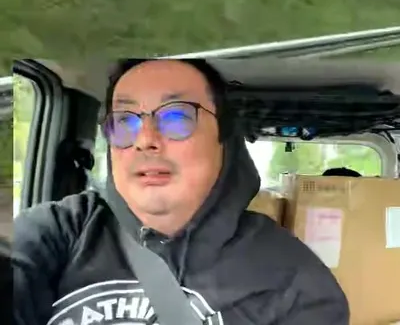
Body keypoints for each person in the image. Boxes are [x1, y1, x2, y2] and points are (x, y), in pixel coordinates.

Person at [12, 58, 350, 325]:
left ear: (224, 140)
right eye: (125, 120)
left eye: (176, 117)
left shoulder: (294, 281)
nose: (145, 139)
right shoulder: (58, 231)